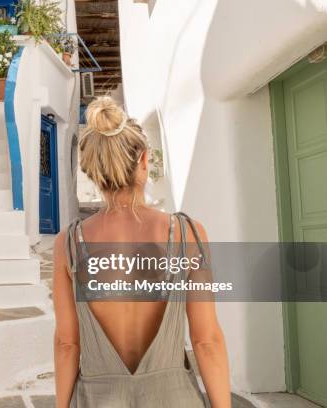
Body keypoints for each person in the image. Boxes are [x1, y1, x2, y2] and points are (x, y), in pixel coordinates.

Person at [52, 97, 231, 407]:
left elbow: (68, 344)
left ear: (93, 172)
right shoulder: (187, 233)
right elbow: (207, 340)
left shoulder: (69, 243)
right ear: (145, 160)